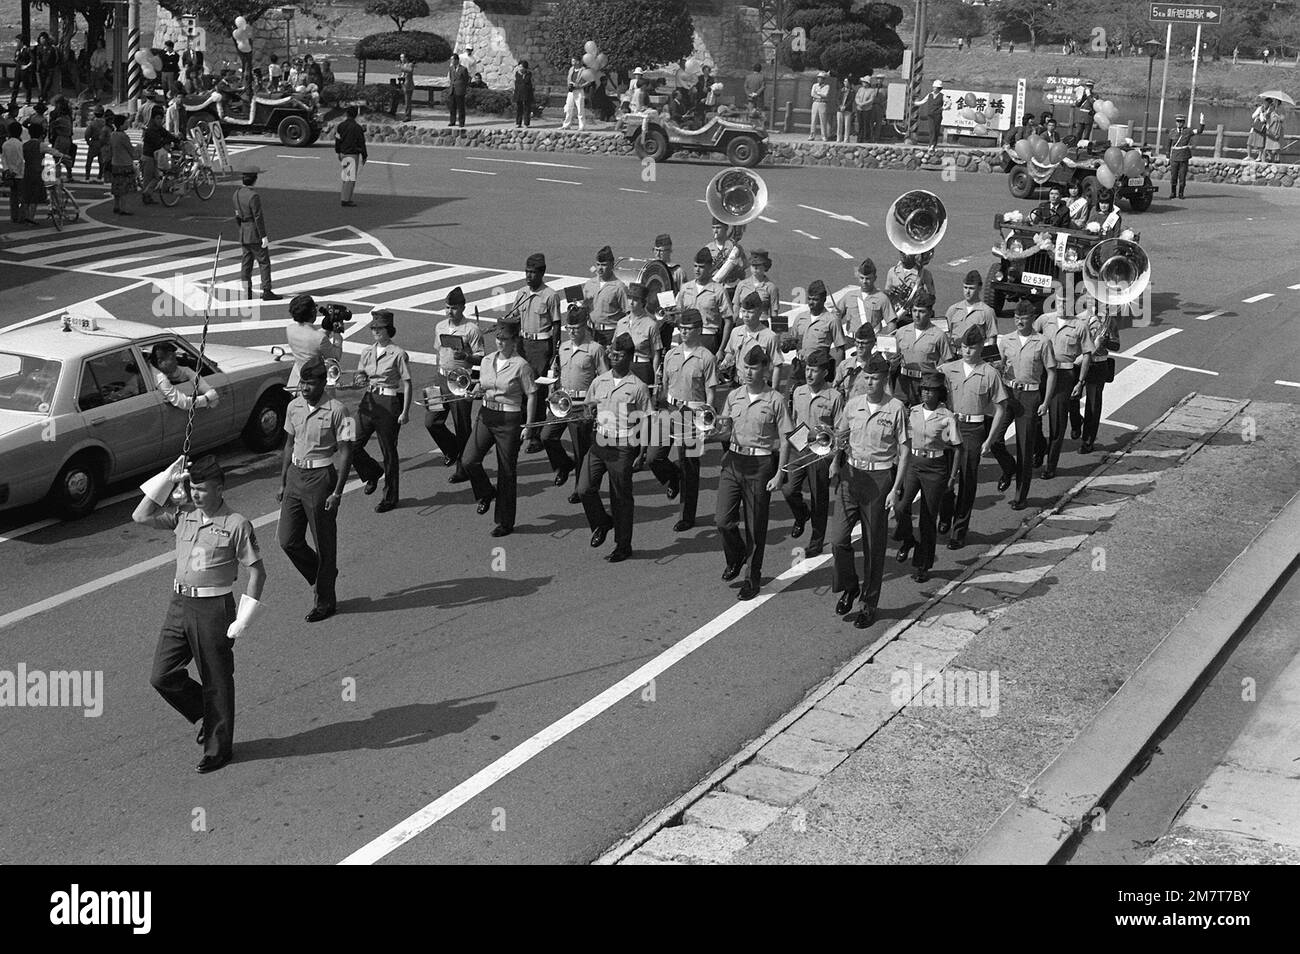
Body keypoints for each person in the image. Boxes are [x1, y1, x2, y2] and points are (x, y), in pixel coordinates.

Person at [134, 454, 265, 774]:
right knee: (162, 675)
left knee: (216, 679)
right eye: (192, 488)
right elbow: (141, 515)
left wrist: (244, 617)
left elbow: (257, 572)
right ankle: (205, 713)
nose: (195, 495)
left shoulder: (236, 524)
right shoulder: (184, 515)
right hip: (179, 604)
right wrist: (167, 477)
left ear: (220, 489)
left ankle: (219, 749)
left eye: (202, 490)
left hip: (214, 608)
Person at [828, 353, 908, 628]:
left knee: (874, 545)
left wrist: (895, 488)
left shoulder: (896, 408)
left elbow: (904, 450)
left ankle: (868, 603)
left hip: (879, 478)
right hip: (851, 475)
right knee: (838, 539)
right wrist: (835, 462)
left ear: (884, 379)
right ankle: (850, 587)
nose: (870, 382)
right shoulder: (853, 405)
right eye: (867, 377)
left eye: (875, 378)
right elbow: (839, 436)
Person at [278, 354, 355, 623]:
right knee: (287, 540)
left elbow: (346, 452)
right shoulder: (294, 407)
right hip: (296, 477)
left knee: (324, 543)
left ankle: (325, 601)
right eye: (302, 384)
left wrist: (338, 492)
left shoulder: (339, 410)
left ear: (323, 383)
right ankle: (323, 575)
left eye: (310, 384)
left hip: (321, 478)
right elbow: (289, 444)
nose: (305, 389)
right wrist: (283, 479)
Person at [715, 345, 793, 601]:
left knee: (755, 525)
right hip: (734, 461)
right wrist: (713, 433)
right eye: (745, 367)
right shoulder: (734, 395)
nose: (748, 372)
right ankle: (736, 556)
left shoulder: (775, 400)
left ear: (765, 369)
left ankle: (752, 578)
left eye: (754, 368)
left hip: (760, 466)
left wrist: (779, 474)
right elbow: (726, 430)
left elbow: (785, 440)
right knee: (723, 520)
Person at [461, 319, 540, 536]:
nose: (500, 343)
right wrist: (473, 390)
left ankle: (505, 522)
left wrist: (530, 426)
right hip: (486, 414)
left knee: (506, 471)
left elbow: (531, 394)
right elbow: (482, 384)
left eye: (505, 339)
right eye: (498, 338)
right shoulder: (487, 360)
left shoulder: (521, 365)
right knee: (468, 459)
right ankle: (486, 492)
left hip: (509, 419)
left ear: (514, 341)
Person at [577, 333, 651, 562]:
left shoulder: (637, 386)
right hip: (600, 441)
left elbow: (646, 419)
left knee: (621, 498)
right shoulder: (600, 381)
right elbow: (589, 406)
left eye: (618, 354)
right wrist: (588, 415)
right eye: (611, 353)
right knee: (584, 489)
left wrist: (643, 451)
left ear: (629, 357)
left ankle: (623, 545)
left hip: (622, 445)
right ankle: (602, 521)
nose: (612, 357)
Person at [938, 326, 1014, 549]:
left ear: (981, 347)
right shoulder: (948, 369)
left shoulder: (989, 373)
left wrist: (990, 439)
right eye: (963, 347)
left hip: (973, 429)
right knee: (943, 473)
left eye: (971, 348)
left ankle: (959, 530)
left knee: (968, 479)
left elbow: (1001, 407)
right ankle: (945, 515)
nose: (966, 351)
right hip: (949, 426)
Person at [648, 308, 716, 532]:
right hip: (669, 411)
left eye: (688, 329)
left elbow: (710, 392)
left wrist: (707, 422)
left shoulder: (706, 357)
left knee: (689, 466)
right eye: (681, 329)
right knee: (653, 457)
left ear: (698, 329)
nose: (683, 333)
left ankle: (687, 516)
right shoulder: (671, 354)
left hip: (692, 415)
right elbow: (665, 385)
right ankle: (673, 477)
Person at [894, 373, 961, 582]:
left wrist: (952, 476)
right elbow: (902, 440)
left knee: (927, 518)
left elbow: (958, 448)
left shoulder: (946, 416)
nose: (925, 393)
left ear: (939, 393)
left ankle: (923, 565)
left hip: (935, 467)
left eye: (930, 390)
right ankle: (907, 539)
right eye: (923, 389)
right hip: (913, 464)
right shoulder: (912, 412)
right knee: (901, 507)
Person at [994, 301, 1057, 510]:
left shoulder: (1042, 342)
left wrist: (1046, 401)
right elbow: (1000, 364)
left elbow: (1051, 373)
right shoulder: (1007, 340)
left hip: (1030, 396)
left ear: (1032, 319)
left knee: (1024, 446)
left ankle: (1020, 496)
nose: (1020, 321)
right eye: (1017, 318)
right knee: (994, 439)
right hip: (1009, 393)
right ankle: (1008, 467)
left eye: (1024, 318)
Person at [350, 311, 412, 514]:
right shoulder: (367, 352)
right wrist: (359, 380)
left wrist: (405, 411)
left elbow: (407, 382)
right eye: (373, 328)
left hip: (388, 401)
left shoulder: (398, 353)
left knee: (389, 452)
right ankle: (372, 472)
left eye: (379, 328)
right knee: (351, 443)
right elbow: (361, 375)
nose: (375, 331)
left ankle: (390, 497)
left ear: (388, 330)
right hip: (369, 400)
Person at [544, 304, 607, 503]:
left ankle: (580, 488)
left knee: (581, 450)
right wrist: (551, 390)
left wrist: (597, 406)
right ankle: (564, 464)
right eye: (569, 328)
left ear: (585, 327)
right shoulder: (562, 347)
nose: (572, 332)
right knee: (547, 436)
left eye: (576, 328)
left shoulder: (595, 349)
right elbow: (557, 373)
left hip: (582, 405)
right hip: (562, 402)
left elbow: (604, 379)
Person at [784, 348, 843, 558]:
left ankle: (816, 542)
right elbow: (793, 419)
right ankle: (801, 515)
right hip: (800, 448)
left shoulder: (834, 397)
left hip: (821, 453)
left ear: (825, 373)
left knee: (819, 498)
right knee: (789, 490)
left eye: (814, 370)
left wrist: (834, 460)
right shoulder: (798, 392)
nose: (809, 374)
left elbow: (839, 430)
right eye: (807, 369)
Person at [426, 286, 484, 478]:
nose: (449, 311)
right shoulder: (439, 326)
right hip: (441, 378)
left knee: (462, 426)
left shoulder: (471, 329)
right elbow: (438, 353)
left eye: (454, 308)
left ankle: (464, 468)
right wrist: (436, 377)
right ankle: (451, 450)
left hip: (460, 380)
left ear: (463, 308)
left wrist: (467, 356)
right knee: (432, 422)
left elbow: (480, 358)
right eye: (447, 307)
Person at [1033, 304, 1089, 479]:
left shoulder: (1079, 326)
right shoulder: (1044, 320)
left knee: (1057, 423)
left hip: (1064, 376)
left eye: (1065, 302)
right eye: (1058, 301)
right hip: (1042, 373)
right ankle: (1040, 446)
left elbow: (1087, 354)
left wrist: (1080, 382)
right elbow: (1030, 339)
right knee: (1032, 417)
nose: (1061, 306)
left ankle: (1051, 466)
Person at [513, 251, 562, 446]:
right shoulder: (521, 293)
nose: (528, 276)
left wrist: (555, 352)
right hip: (523, 345)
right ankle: (525, 427)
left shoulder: (550, 295)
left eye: (532, 272)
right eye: (526, 272)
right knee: (523, 389)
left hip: (541, 347)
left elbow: (556, 325)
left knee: (538, 391)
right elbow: (515, 319)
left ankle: (536, 435)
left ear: (542, 273)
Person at [890, 293, 954, 407]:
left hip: (925, 384)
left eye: (921, 311)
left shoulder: (939, 335)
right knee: (899, 413)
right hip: (903, 383)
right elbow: (892, 356)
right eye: (914, 311)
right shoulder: (901, 332)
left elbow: (949, 364)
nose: (917, 315)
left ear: (930, 313)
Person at [233, 166, 281, 300]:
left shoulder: (236, 194)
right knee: (264, 262)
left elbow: (237, 215)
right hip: (254, 232)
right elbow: (258, 217)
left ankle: (246, 291)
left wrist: (241, 229)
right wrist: (263, 236)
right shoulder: (253, 196)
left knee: (246, 263)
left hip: (243, 232)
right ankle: (266, 290)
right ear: (254, 180)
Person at [789, 279, 847, 388]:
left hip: (819, 369)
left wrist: (838, 376)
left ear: (824, 299)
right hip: (800, 367)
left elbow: (840, 350)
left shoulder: (832, 320)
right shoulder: (800, 318)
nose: (811, 303)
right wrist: (787, 344)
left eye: (815, 299)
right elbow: (793, 341)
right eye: (809, 299)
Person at [1078, 299, 1118, 455]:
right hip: (1079, 362)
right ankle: (1076, 421)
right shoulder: (1082, 317)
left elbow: (1117, 345)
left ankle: (1088, 440)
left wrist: (1105, 341)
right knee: (1070, 399)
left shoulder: (1110, 321)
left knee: (1093, 404)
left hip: (1098, 364)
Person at [677, 247, 733, 355]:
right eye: (695, 266)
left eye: (701, 267)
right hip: (686, 336)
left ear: (710, 268)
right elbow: (679, 313)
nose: (697, 270)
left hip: (708, 337)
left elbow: (728, 320)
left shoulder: (718, 290)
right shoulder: (685, 288)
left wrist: (722, 349)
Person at [285, 294, 342, 389]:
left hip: (298, 380)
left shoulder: (290, 329)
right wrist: (337, 335)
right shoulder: (320, 338)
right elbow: (335, 358)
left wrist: (327, 329)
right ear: (312, 311)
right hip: (316, 384)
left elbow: (309, 337)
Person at [615, 282, 662, 388]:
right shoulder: (621, 323)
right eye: (629, 298)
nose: (631, 302)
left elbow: (656, 354)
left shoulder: (651, 324)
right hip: (623, 366)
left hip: (642, 368)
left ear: (643, 303)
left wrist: (655, 379)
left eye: (635, 299)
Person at [834, 258, 897, 338]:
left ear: (875, 278)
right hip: (851, 340)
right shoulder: (849, 296)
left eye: (868, 278)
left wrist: (887, 341)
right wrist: (837, 316)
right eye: (861, 278)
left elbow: (891, 322)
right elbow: (834, 317)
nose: (864, 281)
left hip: (872, 341)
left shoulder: (882, 298)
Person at [150, 341, 219, 411]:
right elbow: (183, 403)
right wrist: (206, 399)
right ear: (160, 362)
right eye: (172, 359)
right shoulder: (160, 379)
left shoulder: (164, 367)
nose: (176, 362)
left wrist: (208, 390)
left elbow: (188, 373)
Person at [583, 245, 630, 347]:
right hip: (590, 332)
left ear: (612, 265)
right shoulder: (589, 284)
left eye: (603, 265)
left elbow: (628, 315)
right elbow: (584, 309)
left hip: (610, 334)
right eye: (598, 264)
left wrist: (619, 335)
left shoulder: (619, 287)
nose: (600, 268)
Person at [945, 271, 998, 347]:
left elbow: (991, 339)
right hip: (955, 354)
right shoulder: (953, 309)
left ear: (979, 288)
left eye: (971, 288)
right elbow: (945, 335)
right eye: (965, 287)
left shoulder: (987, 312)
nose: (967, 292)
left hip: (975, 355)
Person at [140, 109, 180, 205]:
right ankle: (146, 196)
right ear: (153, 119)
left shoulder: (159, 128)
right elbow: (158, 142)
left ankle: (147, 195)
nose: (160, 120)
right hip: (148, 157)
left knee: (156, 178)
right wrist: (168, 141)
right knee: (149, 178)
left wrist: (176, 139)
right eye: (158, 118)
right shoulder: (150, 130)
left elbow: (167, 134)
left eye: (161, 118)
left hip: (154, 157)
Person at [835, 323, 884, 401]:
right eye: (857, 342)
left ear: (872, 343)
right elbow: (835, 392)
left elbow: (886, 395)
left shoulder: (879, 368)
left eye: (864, 343)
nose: (860, 346)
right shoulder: (844, 366)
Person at [732, 249, 779, 326]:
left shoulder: (771, 287)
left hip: (761, 323)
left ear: (765, 266)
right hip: (742, 322)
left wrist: (776, 333)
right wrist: (733, 324)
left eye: (758, 265)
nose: (755, 268)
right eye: (753, 265)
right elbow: (736, 306)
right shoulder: (741, 284)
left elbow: (774, 312)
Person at [334, 104, 367, 208]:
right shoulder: (357, 128)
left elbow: (337, 140)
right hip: (352, 154)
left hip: (343, 153)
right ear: (355, 115)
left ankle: (345, 197)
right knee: (350, 178)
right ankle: (346, 199)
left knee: (345, 176)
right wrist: (364, 155)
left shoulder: (340, 126)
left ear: (346, 114)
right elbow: (362, 142)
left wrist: (338, 151)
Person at [1167, 113, 1205, 198]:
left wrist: (1202, 122)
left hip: (1184, 157)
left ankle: (1181, 193)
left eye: (1181, 122)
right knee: (1173, 176)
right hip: (1174, 157)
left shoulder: (1188, 131)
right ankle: (1173, 193)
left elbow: (1199, 131)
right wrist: (1167, 157)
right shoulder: (1172, 132)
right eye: (1178, 121)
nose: (1179, 123)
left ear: (1183, 122)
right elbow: (1168, 145)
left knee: (1182, 176)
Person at [105, 114, 136, 217]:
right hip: (125, 163)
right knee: (125, 188)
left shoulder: (112, 135)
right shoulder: (124, 136)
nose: (127, 124)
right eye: (125, 122)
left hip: (115, 163)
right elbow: (130, 150)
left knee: (116, 186)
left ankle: (116, 205)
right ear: (122, 125)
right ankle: (123, 208)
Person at [912, 79, 943, 147]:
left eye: (935, 87)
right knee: (932, 129)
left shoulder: (942, 96)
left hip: (938, 115)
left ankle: (934, 143)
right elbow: (923, 101)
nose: (934, 88)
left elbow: (948, 103)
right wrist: (914, 103)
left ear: (939, 88)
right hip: (930, 115)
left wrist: (944, 108)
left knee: (936, 129)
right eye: (933, 87)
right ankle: (931, 143)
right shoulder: (929, 95)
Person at [2, 121, 22, 223]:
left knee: (13, 195)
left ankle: (13, 215)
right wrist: (15, 171)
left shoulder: (5, 144)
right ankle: (20, 215)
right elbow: (20, 159)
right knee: (20, 195)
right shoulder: (20, 144)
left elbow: (3, 158)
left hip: (9, 173)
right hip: (19, 174)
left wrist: (6, 170)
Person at [562, 56, 585, 130]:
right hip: (571, 91)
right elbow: (568, 78)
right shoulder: (571, 69)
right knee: (569, 107)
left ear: (578, 62)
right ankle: (566, 125)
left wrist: (580, 85)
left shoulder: (583, 70)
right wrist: (569, 85)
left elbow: (588, 81)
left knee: (580, 108)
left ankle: (581, 126)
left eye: (573, 61)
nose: (572, 63)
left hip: (579, 90)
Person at [447, 53, 470, 127]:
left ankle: (461, 122)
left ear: (457, 60)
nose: (452, 61)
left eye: (453, 59)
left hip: (460, 90)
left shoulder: (463, 69)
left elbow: (466, 79)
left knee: (460, 107)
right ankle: (452, 121)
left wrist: (462, 87)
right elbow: (451, 78)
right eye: (451, 60)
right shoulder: (451, 68)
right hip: (452, 90)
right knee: (452, 107)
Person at [854, 75, 877, 143]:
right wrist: (858, 103)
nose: (863, 83)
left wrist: (863, 104)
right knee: (860, 124)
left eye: (864, 82)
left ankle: (866, 138)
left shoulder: (872, 90)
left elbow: (871, 99)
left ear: (867, 83)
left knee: (866, 124)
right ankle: (859, 138)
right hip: (859, 109)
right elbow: (857, 97)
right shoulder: (860, 89)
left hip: (867, 109)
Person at [808, 71, 830, 141]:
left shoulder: (827, 86)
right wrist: (820, 95)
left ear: (823, 79)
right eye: (818, 78)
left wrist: (818, 93)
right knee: (813, 119)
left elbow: (825, 95)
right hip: (815, 103)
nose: (819, 79)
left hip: (822, 103)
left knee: (823, 119)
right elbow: (812, 94)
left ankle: (824, 135)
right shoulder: (815, 85)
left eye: (821, 78)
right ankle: (812, 135)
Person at [513, 59, 534, 128]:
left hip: (527, 94)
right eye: (519, 66)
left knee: (527, 109)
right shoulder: (517, 74)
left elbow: (526, 82)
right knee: (519, 108)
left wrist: (524, 76)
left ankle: (526, 123)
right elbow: (517, 82)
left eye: (521, 67)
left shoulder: (528, 74)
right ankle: (518, 123)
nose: (520, 68)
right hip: (518, 93)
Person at [836, 75, 854, 143]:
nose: (845, 83)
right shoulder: (841, 90)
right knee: (839, 124)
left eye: (846, 81)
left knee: (847, 125)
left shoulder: (852, 91)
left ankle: (846, 139)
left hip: (847, 109)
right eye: (844, 81)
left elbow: (851, 100)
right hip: (839, 109)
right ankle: (838, 138)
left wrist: (845, 106)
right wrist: (840, 106)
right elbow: (837, 99)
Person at [398, 53, 415, 122]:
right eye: (400, 57)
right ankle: (406, 114)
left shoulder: (410, 64)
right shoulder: (403, 65)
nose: (401, 59)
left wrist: (401, 68)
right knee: (405, 101)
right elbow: (403, 73)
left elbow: (410, 70)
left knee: (407, 101)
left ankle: (407, 116)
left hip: (408, 85)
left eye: (402, 57)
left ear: (406, 58)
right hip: (403, 84)